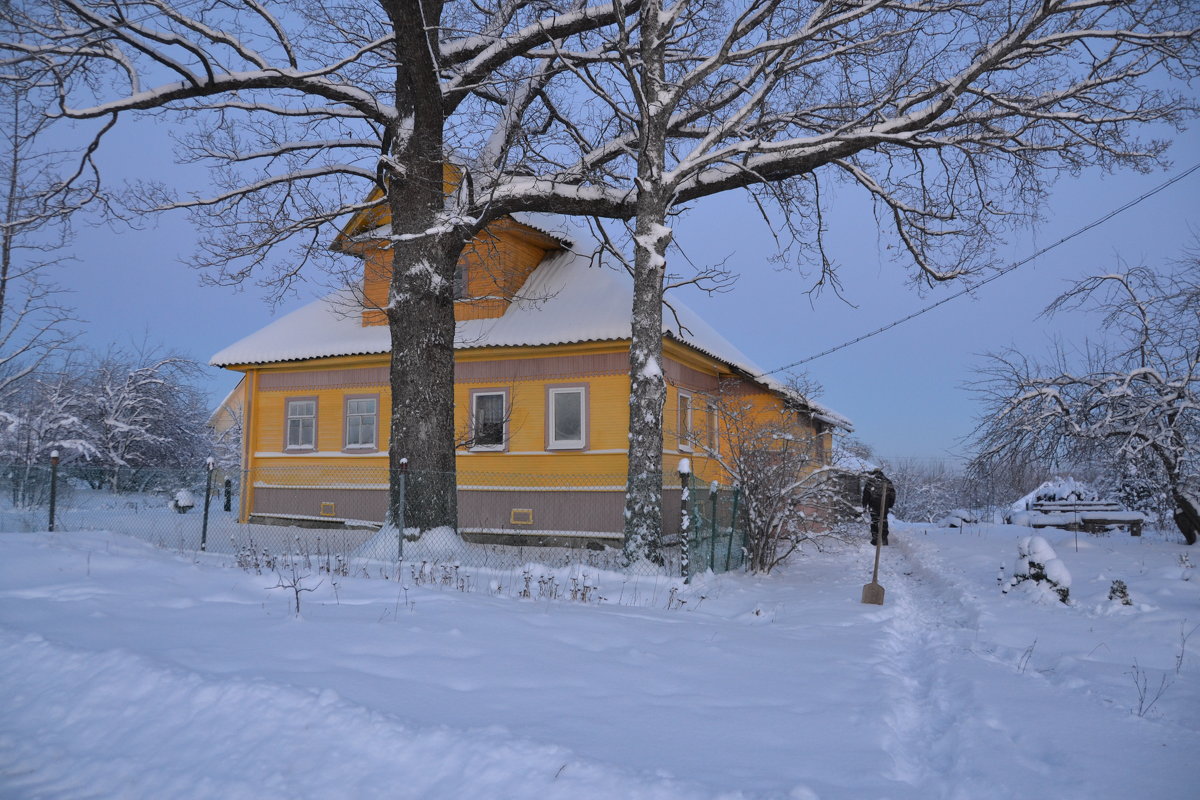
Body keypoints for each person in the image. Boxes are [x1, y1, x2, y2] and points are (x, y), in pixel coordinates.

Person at [862, 469, 896, 546]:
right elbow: (893, 495)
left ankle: (875, 539)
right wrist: (890, 504)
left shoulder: (870, 482)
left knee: (874, 521)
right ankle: (884, 538)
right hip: (884, 505)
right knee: (883, 520)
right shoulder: (887, 481)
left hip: (873, 505)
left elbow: (866, 494)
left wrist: (865, 505)